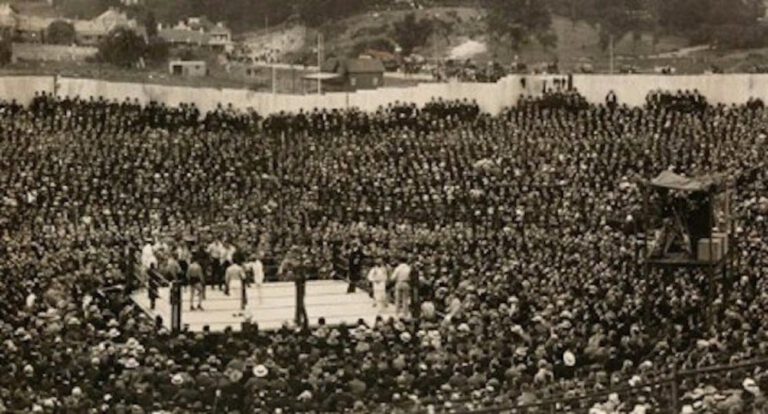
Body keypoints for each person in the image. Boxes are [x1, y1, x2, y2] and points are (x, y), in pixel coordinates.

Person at [280, 246, 308, 330]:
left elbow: (298, 267)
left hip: (301, 283)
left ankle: (303, 319)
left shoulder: (301, 260)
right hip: (299, 282)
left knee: (300, 302)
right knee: (299, 302)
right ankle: (299, 318)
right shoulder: (298, 260)